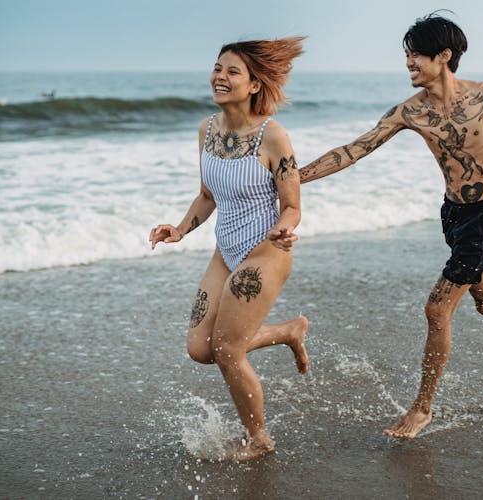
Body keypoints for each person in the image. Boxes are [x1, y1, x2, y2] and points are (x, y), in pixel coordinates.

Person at [299, 13, 483, 439]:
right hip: (453, 216)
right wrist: (295, 177)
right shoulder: (411, 112)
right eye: (406, 56)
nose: (409, 64)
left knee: (437, 308)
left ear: (444, 56)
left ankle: (422, 409)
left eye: (416, 55)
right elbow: (355, 149)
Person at [150, 37, 309, 461]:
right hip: (226, 249)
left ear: (255, 84)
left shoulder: (272, 136)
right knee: (200, 349)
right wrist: (180, 230)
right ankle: (288, 331)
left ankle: (259, 440)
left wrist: (283, 230)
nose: (220, 77)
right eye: (218, 68)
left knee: (227, 351)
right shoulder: (207, 130)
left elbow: (292, 205)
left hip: (265, 253)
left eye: (232, 71)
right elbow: (207, 194)